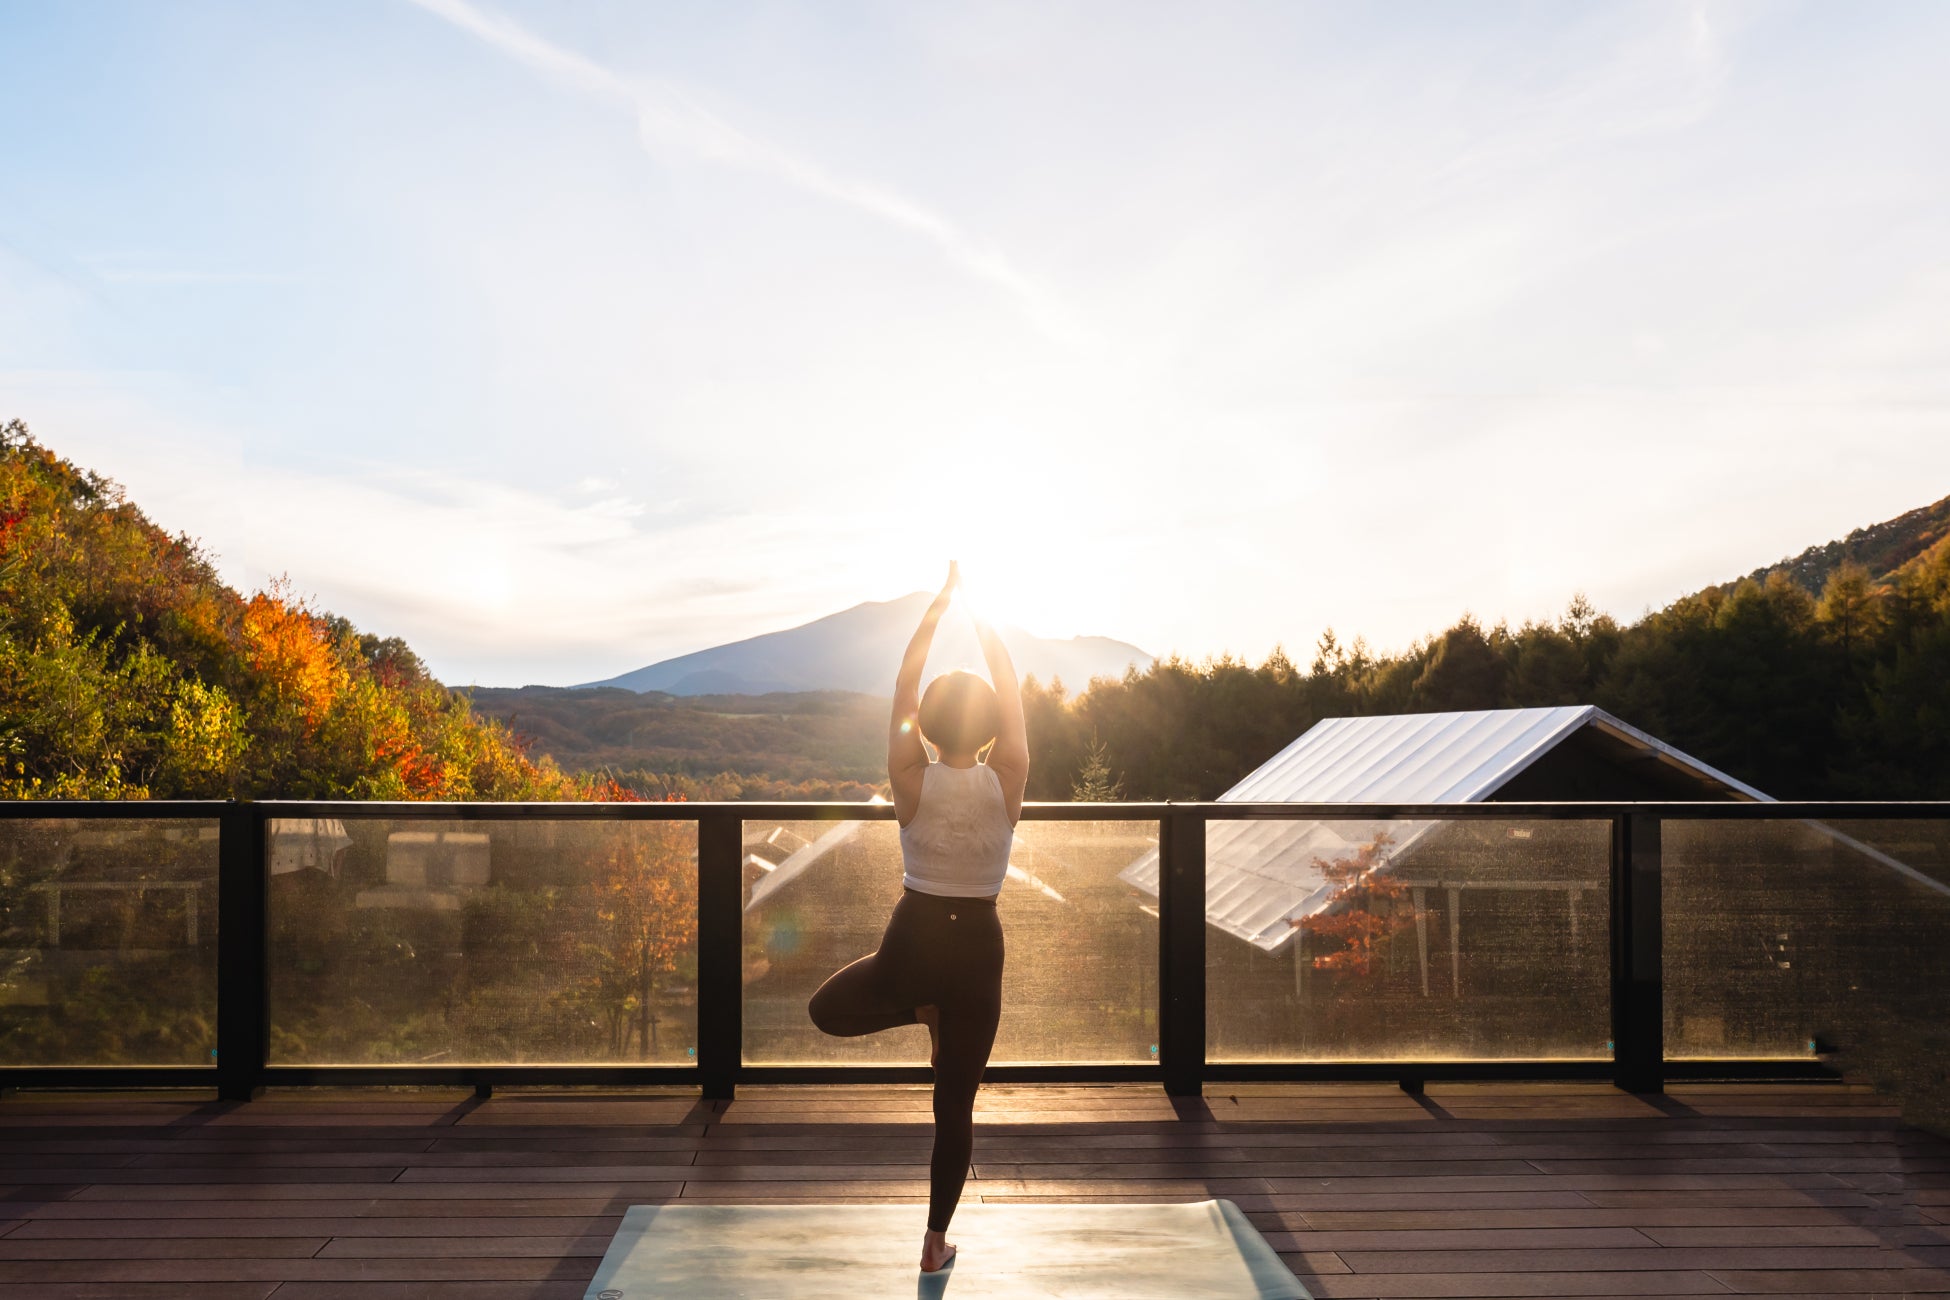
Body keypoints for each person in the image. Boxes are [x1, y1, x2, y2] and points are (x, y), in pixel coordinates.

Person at [806, 561, 1029, 1274]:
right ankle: (935, 1244)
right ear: (993, 726)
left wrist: (939, 608)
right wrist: (983, 615)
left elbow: (905, 685)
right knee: (954, 1107)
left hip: (913, 940)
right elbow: (1014, 690)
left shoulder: (910, 779)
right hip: (978, 949)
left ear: (925, 726)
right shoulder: (1010, 779)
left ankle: (918, 1009)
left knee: (825, 1011)